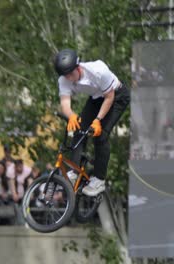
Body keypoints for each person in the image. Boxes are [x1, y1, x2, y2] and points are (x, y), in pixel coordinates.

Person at [53, 49, 130, 196]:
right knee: (79, 129)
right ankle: (74, 170)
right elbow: (65, 103)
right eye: (65, 75)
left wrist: (97, 121)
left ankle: (99, 180)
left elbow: (109, 97)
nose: (69, 78)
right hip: (97, 97)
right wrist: (71, 115)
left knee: (100, 136)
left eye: (71, 74)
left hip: (116, 96)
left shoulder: (98, 71)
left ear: (78, 67)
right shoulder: (64, 79)